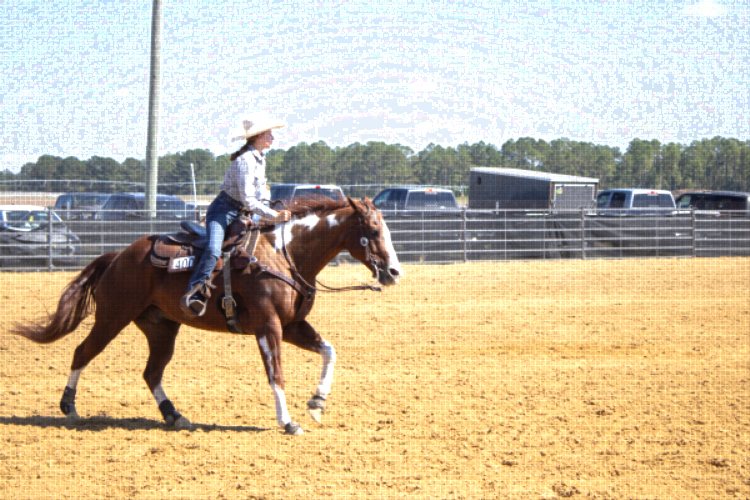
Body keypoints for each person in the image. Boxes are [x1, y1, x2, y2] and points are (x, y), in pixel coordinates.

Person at [180, 116, 291, 317]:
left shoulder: (260, 158)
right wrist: (274, 215)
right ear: (258, 137)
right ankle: (194, 292)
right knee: (214, 249)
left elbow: (258, 192)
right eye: (269, 134)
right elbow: (248, 199)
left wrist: (267, 201)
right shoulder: (246, 161)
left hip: (243, 211)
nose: (272, 138)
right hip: (222, 210)